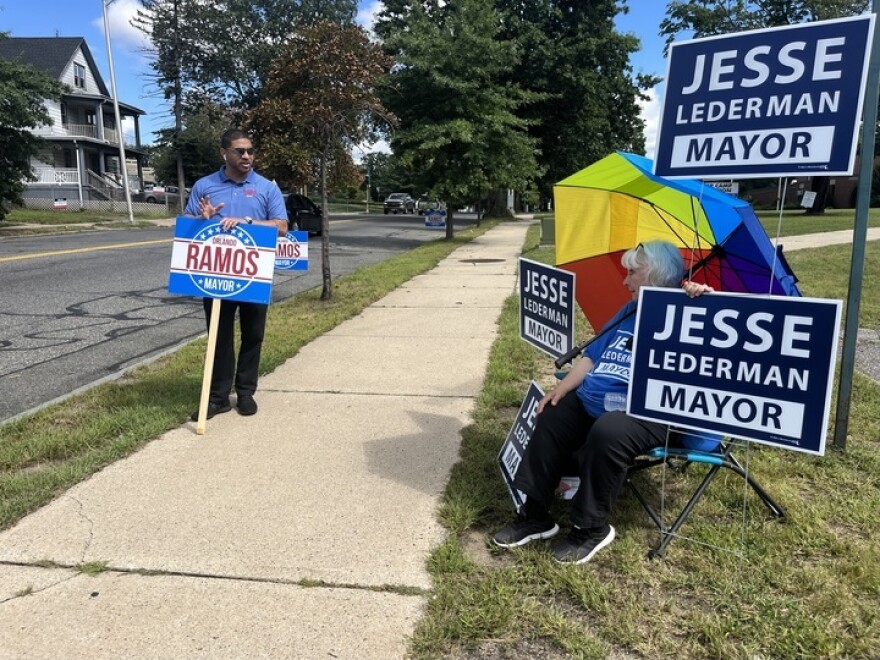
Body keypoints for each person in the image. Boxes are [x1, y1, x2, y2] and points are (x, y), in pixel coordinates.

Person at [493, 240, 712, 564]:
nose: (625, 281)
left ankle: (590, 528)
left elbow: (719, 351)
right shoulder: (630, 309)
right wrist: (563, 389)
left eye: (632, 273)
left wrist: (703, 302)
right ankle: (535, 514)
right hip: (598, 398)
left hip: (648, 410)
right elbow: (592, 357)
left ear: (656, 275)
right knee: (552, 413)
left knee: (610, 430)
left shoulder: (692, 310)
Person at [185, 128, 288, 420]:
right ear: (224, 153)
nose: (247, 156)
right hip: (217, 274)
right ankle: (217, 398)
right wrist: (201, 219)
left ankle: (245, 393)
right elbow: (185, 223)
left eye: (250, 151)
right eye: (240, 151)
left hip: (254, 273)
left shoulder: (267, 187)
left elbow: (282, 226)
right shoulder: (204, 186)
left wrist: (247, 220)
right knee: (219, 335)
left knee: (253, 334)